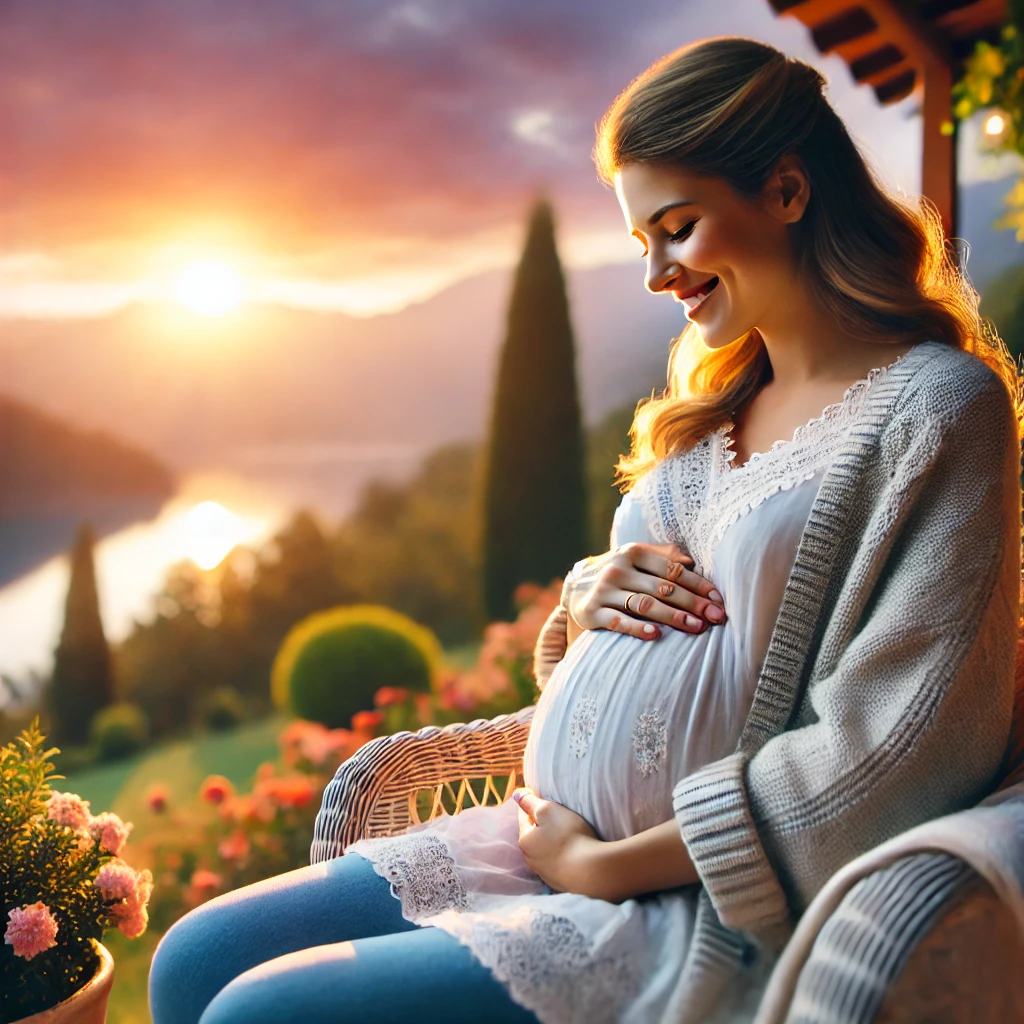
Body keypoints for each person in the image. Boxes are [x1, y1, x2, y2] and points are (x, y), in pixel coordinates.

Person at [148, 35, 1024, 1024]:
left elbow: (899, 750)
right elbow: (605, 655)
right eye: (640, 239)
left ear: (786, 192)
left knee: (252, 1016)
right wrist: (585, 597)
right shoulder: (712, 415)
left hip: (690, 909)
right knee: (191, 958)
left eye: (676, 227)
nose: (655, 272)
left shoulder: (935, 409)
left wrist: (605, 865)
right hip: (539, 847)